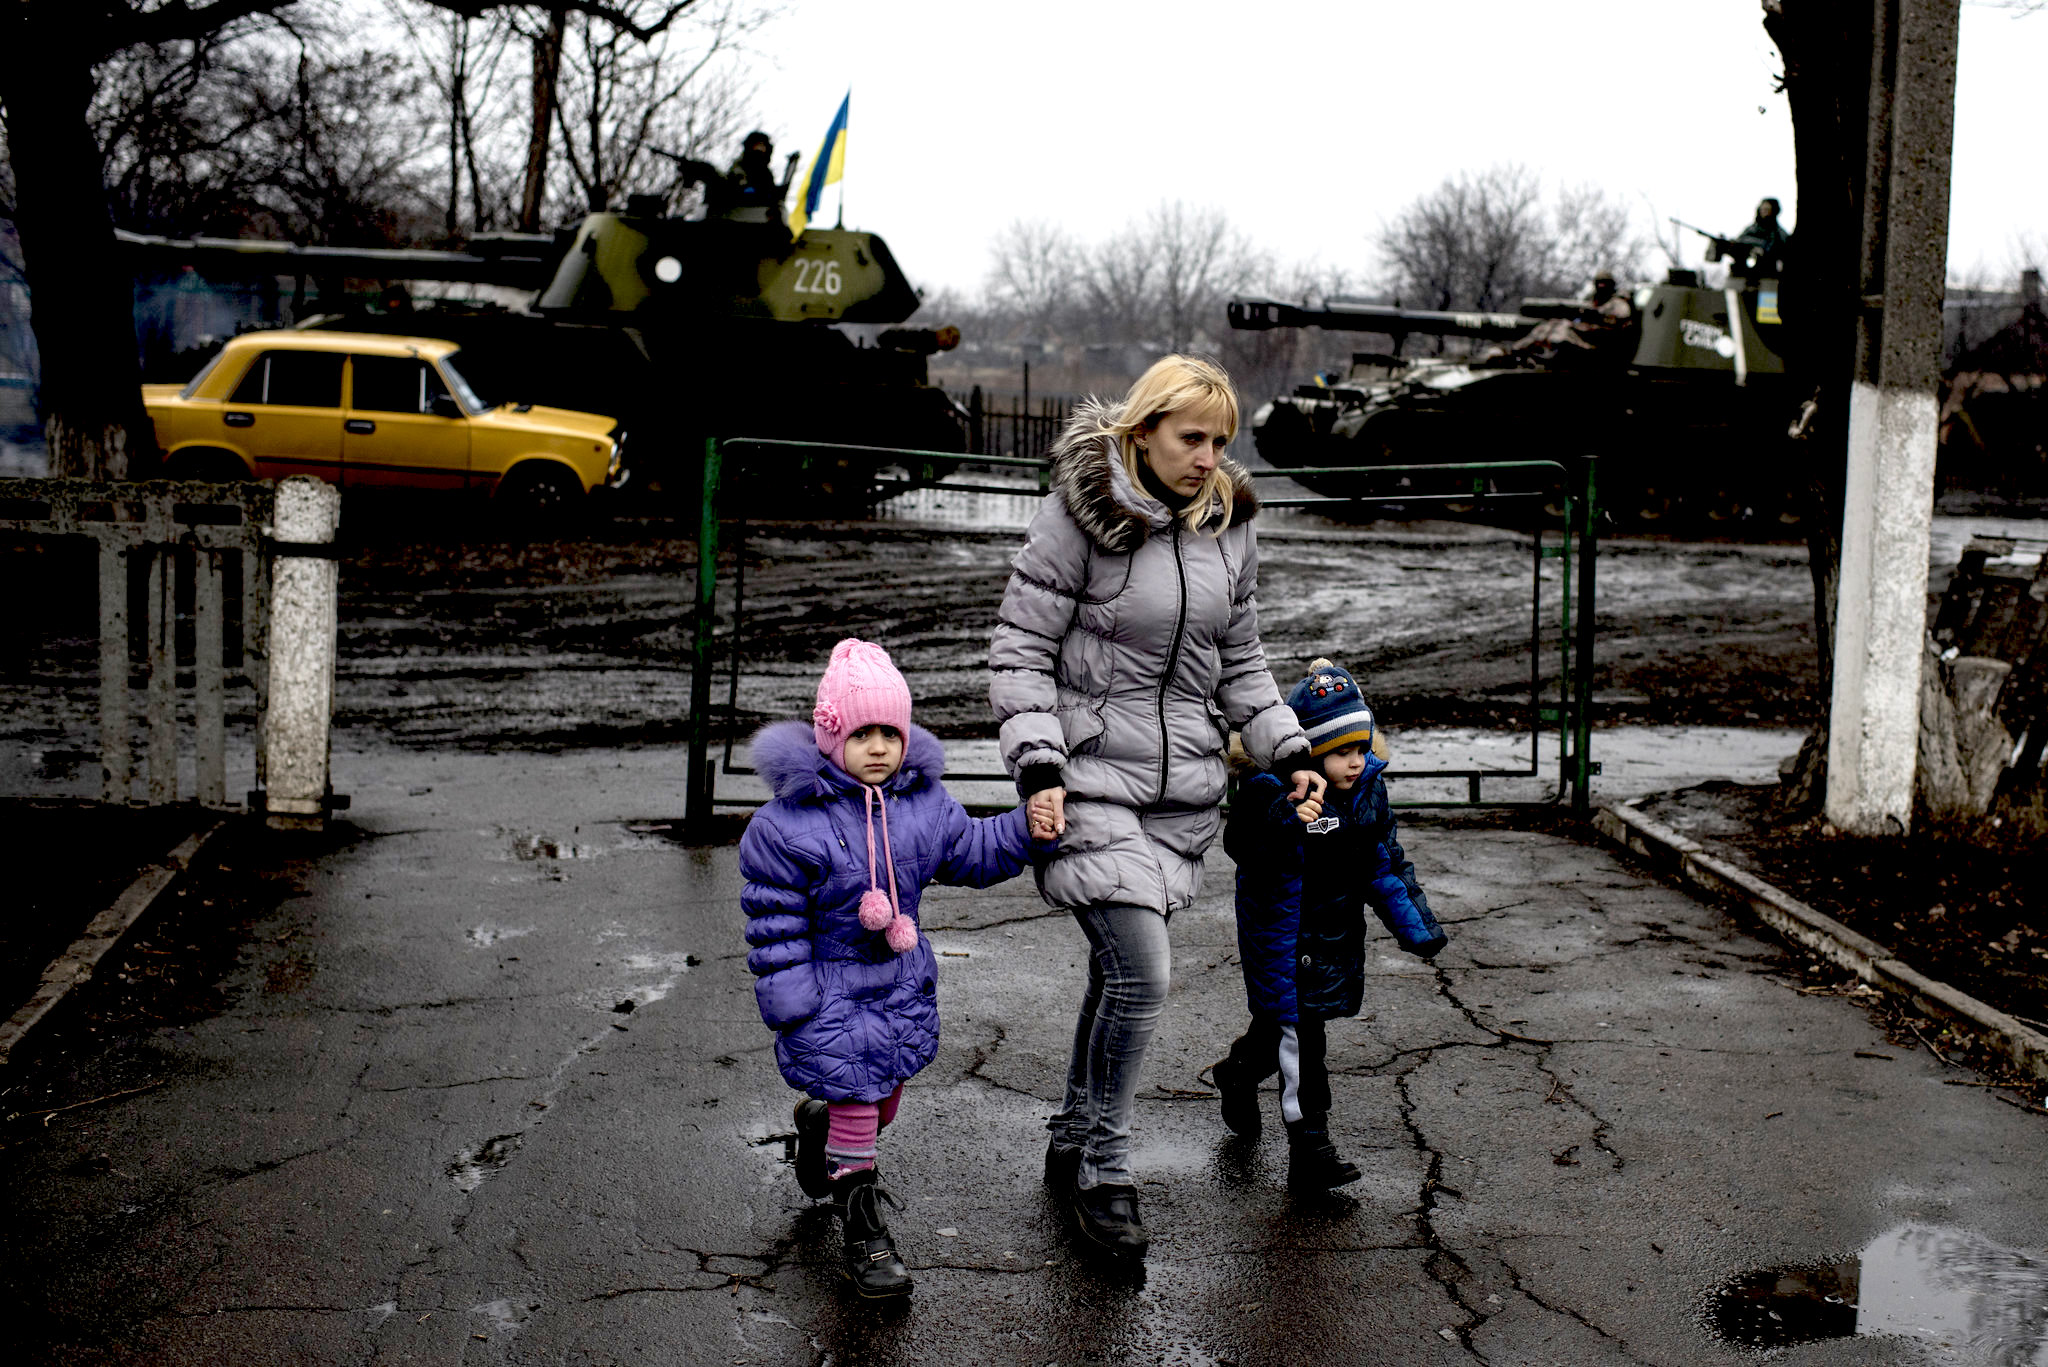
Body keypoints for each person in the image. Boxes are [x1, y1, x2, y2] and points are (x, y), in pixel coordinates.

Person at [988, 354, 1327, 1259]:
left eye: (1221, 440)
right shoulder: (1081, 514)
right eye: (1191, 438)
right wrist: (1039, 764)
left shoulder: (1229, 528)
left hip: (1181, 798)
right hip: (1088, 777)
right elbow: (1021, 649)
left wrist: (1288, 746)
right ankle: (1103, 1165)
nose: (1209, 457)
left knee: (1118, 973)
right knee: (1143, 969)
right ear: (1142, 433)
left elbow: (1243, 662)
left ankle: (1071, 1129)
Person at [741, 638, 1059, 1298]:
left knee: (881, 1102)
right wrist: (792, 998)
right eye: (863, 732)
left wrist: (1025, 827)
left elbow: (972, 849)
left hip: (897, 986)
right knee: (862, 1110)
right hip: (830, 993)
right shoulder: (789, 826)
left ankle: (821, 1127)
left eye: (891, 730)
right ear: (831, 735)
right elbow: (774, 923)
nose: (880, 746)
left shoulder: (922, 807)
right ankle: (863, 1232)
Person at [1213, 658, 1447, 1192]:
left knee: (1284, 1026)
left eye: (1362, 750)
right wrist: (1282, 823)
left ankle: (1239, 1072)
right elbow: (1242, 846)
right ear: (1311, 751)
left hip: (1334, 933)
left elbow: (1383, 863)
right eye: (1343, 751)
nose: (1355, 762)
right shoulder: (1272, 791)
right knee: (1303, 1038)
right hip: (1281, 934)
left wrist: (1418, 928)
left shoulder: (1366, 792)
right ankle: (1309, 1147)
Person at [723, 130, 800, 224]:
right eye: (757, 145)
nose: (760, 149)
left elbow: (770, 192)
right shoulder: (739, 168)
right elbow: (739, 190)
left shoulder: (765, 172)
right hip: (740, 215)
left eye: (763, 146)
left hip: (764, 217)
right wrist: (757, 191)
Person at [1725, 197, 1790, 275]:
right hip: (1744, 271)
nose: (1764, 212)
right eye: (1763, 209)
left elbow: (1783, 250)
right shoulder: (1751, 229)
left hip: (1769, 273)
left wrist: (1763, 250)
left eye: (1767, 209)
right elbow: (1740, 241)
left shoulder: (1779, 233)